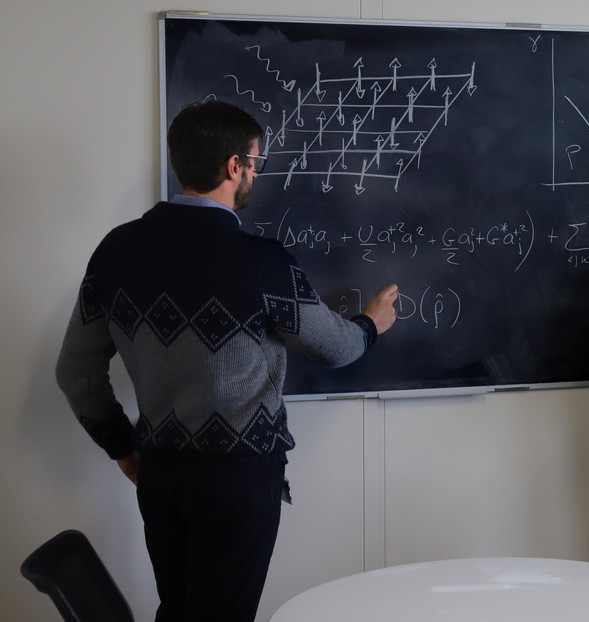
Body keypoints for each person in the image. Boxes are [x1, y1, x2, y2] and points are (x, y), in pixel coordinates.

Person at [54, 100, 399, 621]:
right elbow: (337, 348)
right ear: (234, 166)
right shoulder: (259, 261)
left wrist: (123, 450)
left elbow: (75, 372)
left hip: (163, 471)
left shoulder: (116, 252)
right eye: (255, 162)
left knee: (180, 609)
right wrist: (372, 322)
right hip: (239, 478)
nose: (255, 173)